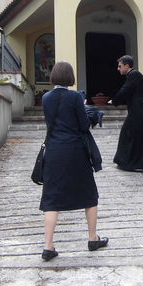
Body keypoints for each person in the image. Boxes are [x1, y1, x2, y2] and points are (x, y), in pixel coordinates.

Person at [39, 61, 108, 260]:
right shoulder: (75, 97)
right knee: (89, 194)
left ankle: (48, 246)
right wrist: (84, 107)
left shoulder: (45, 98)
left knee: (51, 199)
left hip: (53, 151)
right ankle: (93, 238)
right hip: (75, 151)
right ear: (70, 77)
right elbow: (84, 126)